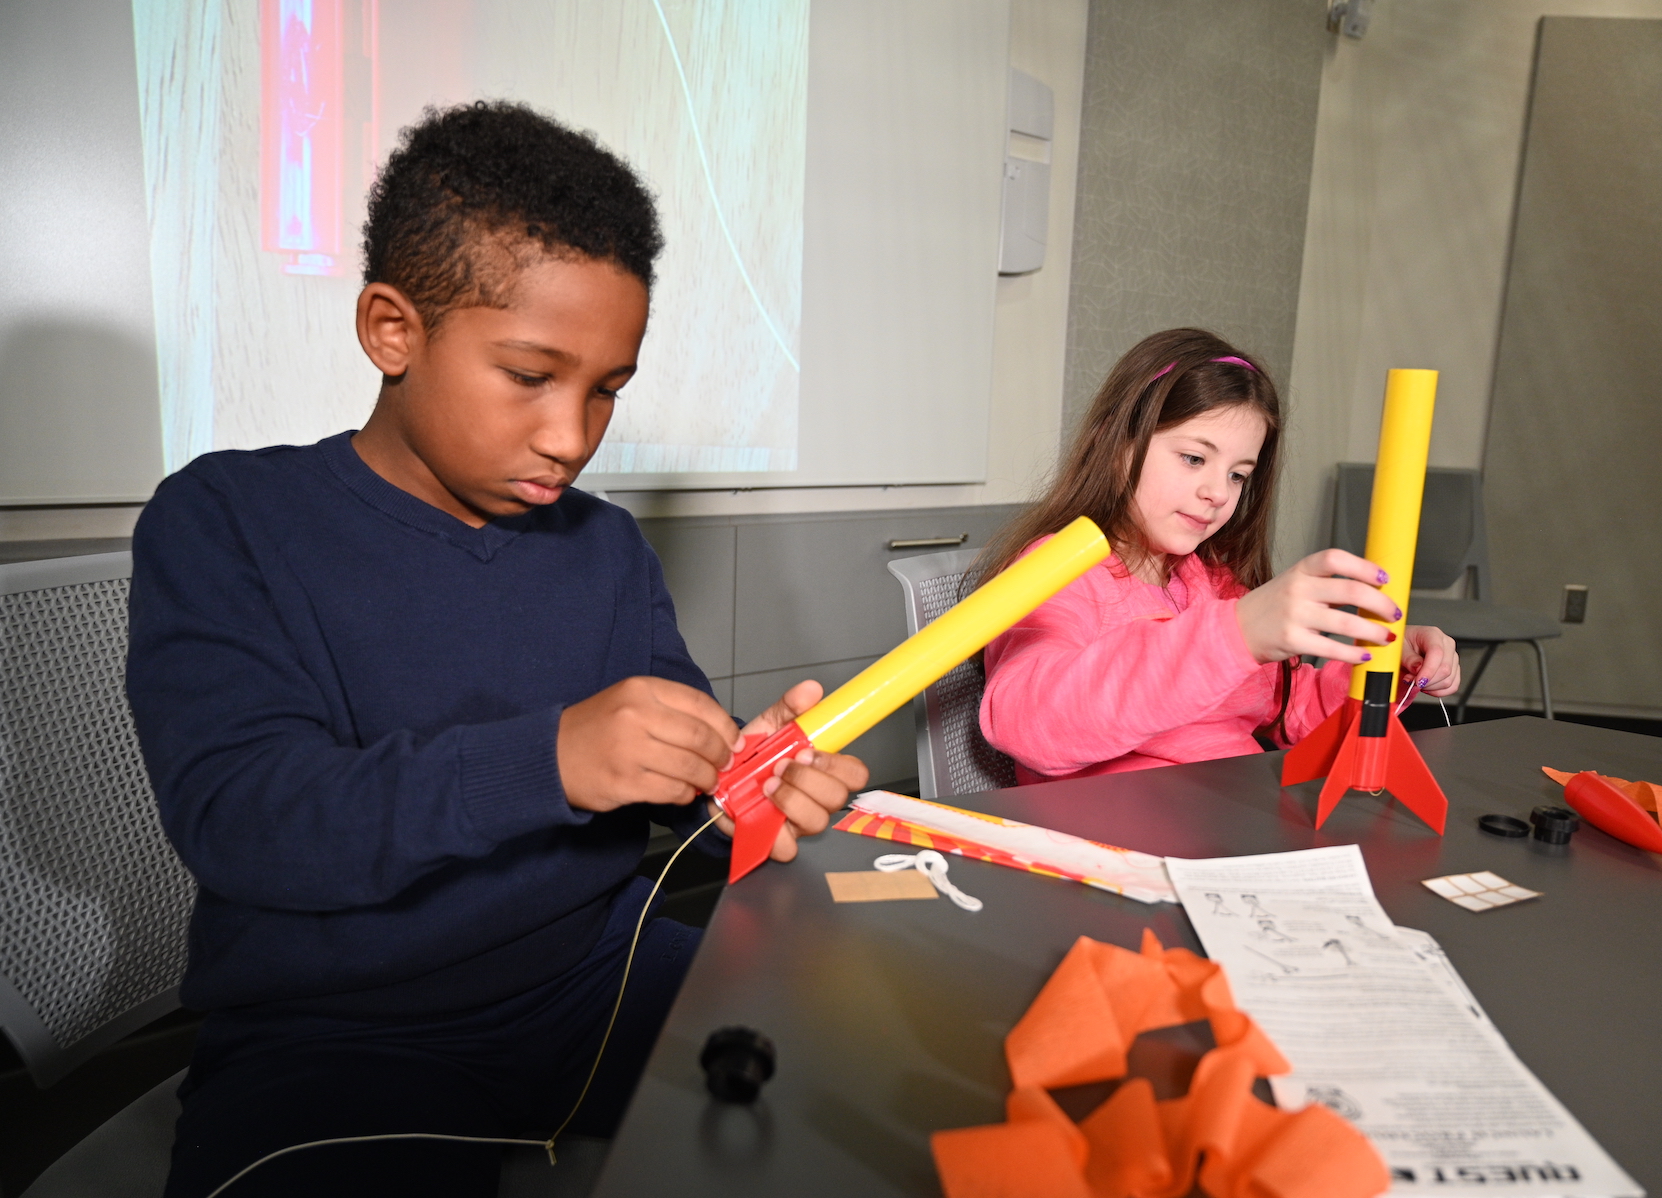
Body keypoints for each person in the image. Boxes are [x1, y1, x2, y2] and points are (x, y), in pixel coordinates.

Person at [126, 101, 868, 1198]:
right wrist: (552, 757)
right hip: (343, 1039)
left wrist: (747, 789)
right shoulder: (226, 519)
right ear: (393, 329)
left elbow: (679, 817)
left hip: (602, 981)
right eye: (531, 375)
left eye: (606, 389)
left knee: (881, 1087)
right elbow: (247, 820)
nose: (572, 435)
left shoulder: (604, 547)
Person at [977, 327, 1461, 784]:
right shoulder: (1057, 572)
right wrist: (1235, 634)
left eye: (1238, 475)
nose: (1217, 492)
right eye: (1193, 458)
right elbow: (1027, 721)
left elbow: (1293, 711)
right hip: (1117, 843)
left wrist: (1385, 666)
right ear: (1117, 441)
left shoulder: (1209, 581)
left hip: (1229, 818)